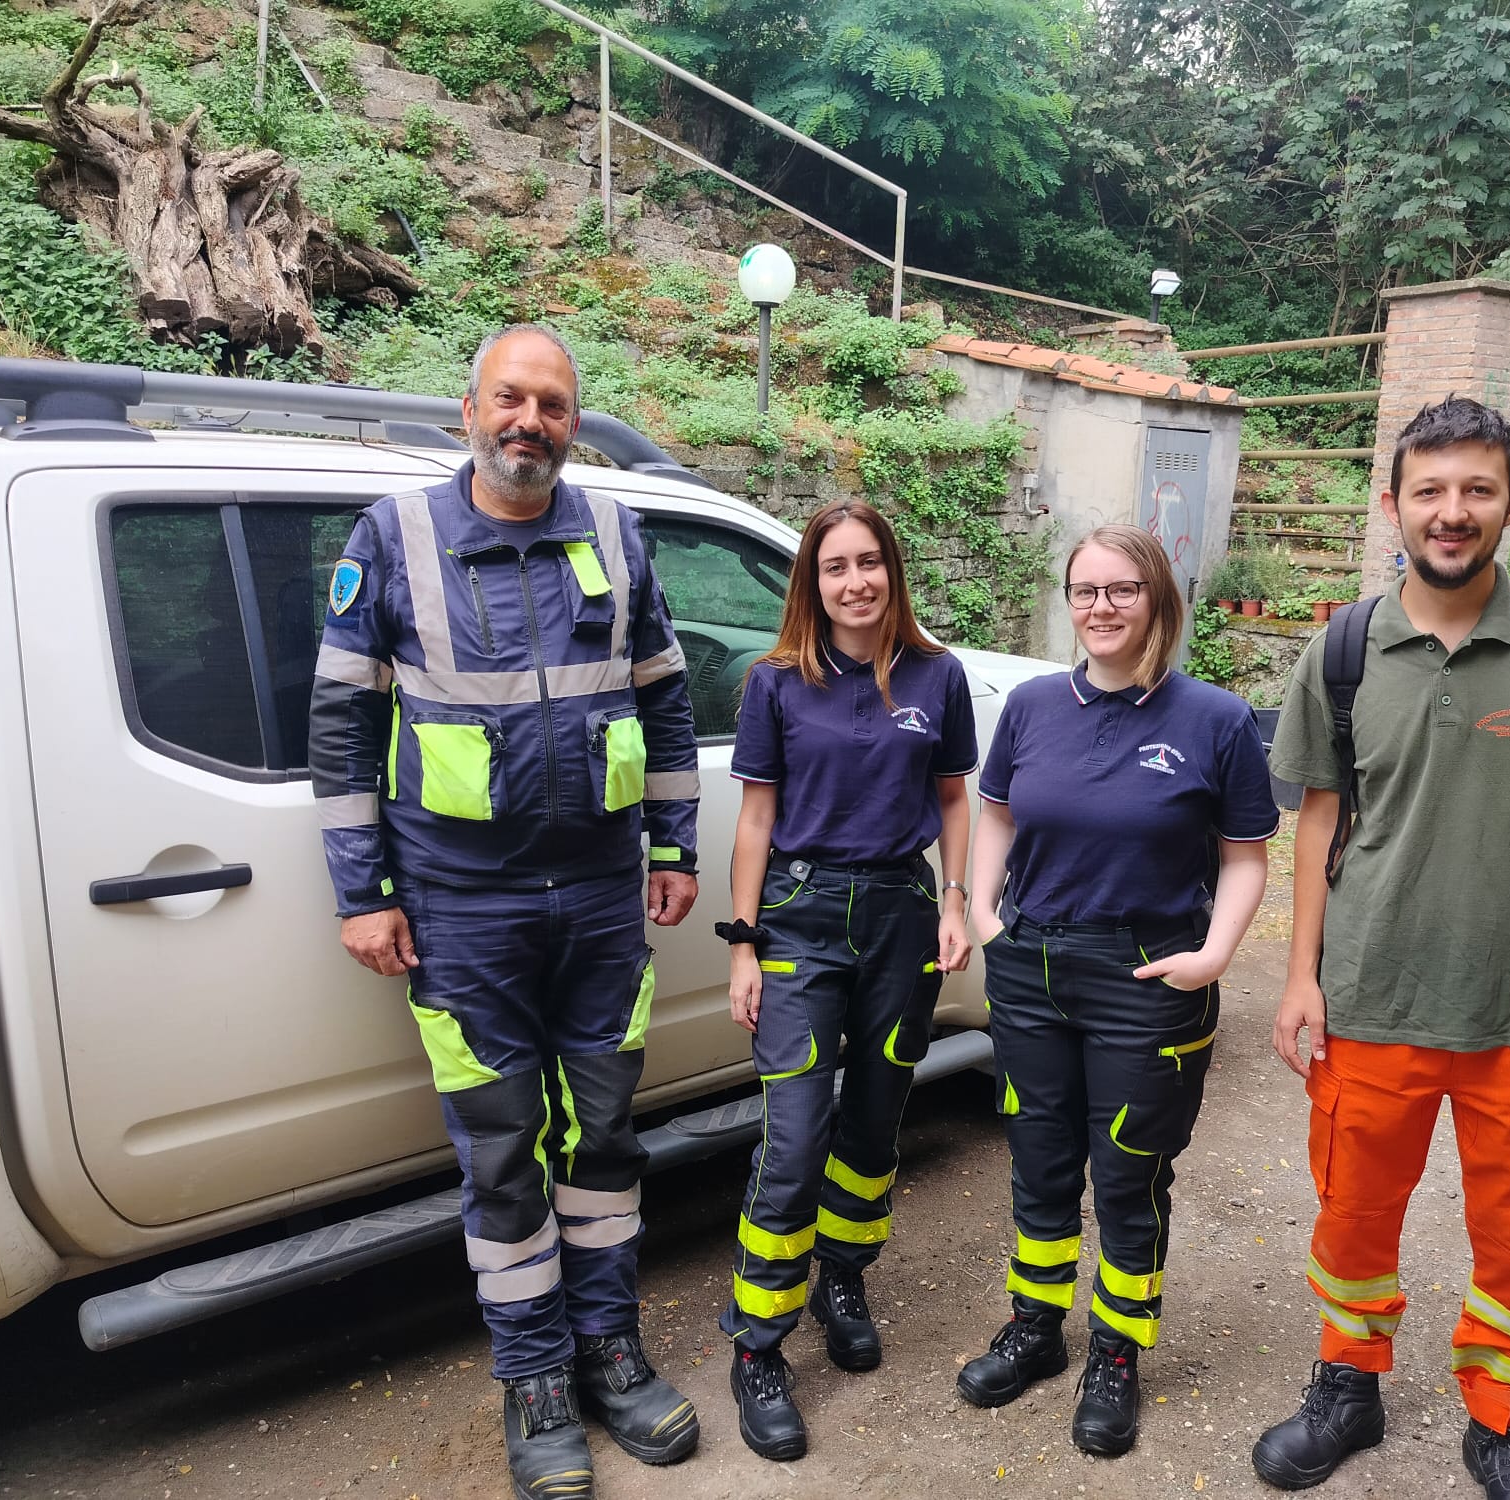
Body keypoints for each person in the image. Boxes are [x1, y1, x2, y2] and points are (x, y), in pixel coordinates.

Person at [309, 325, 704, 1500]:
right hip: (461, 904)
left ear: (571, 422)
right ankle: (534, 1384)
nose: (529, 420)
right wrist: (360, 893)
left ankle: (608, 1351)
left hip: (596, 898)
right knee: (499, 1152)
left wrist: (674, 842)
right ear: (467, 411)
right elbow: (338, 723)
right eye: (509, 399)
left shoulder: (618, 534)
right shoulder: (394, 538)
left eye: (551, 404)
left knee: (603, 1135)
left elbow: (667, 699)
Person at [1254, 398, 1510, 1500]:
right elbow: (1320, 826)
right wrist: (1299, 977)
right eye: (1428, 490)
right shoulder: (1340, 651)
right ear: (1391, 503)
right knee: (1351, 1213)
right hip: (1369, 997)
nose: (1451, 512)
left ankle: (1498, 1418)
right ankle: (1346, 1382)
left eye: (1476, 489)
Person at [959, 523, 1278, 1457]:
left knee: (1129, 1172)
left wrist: (1214, 955)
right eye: (1086, 591)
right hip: (1034, 968)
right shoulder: (1030, 706)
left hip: (1149, 974)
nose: (1102, 608)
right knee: (1040, 1158)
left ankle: (1117, 1354)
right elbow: (996, 813)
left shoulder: (1214, 720)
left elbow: (1246, 857)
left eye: (1123, 590)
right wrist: (984, 914)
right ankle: (1036, 1328)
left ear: (1158, 602)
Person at [715, 500, 978, 1460]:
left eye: (869, 563)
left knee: (872, 1124)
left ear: (890, 572)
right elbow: (754, 821)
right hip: (802, 917)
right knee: (795, 1139)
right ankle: (757, 1345)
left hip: (902, 918)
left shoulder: (937, 676)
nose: (855, 581)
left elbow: (953, 796)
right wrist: (743, 943)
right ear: (812, 583)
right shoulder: (777, 682)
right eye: (836, 568)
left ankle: (843, 1276)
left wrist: (956, 900)